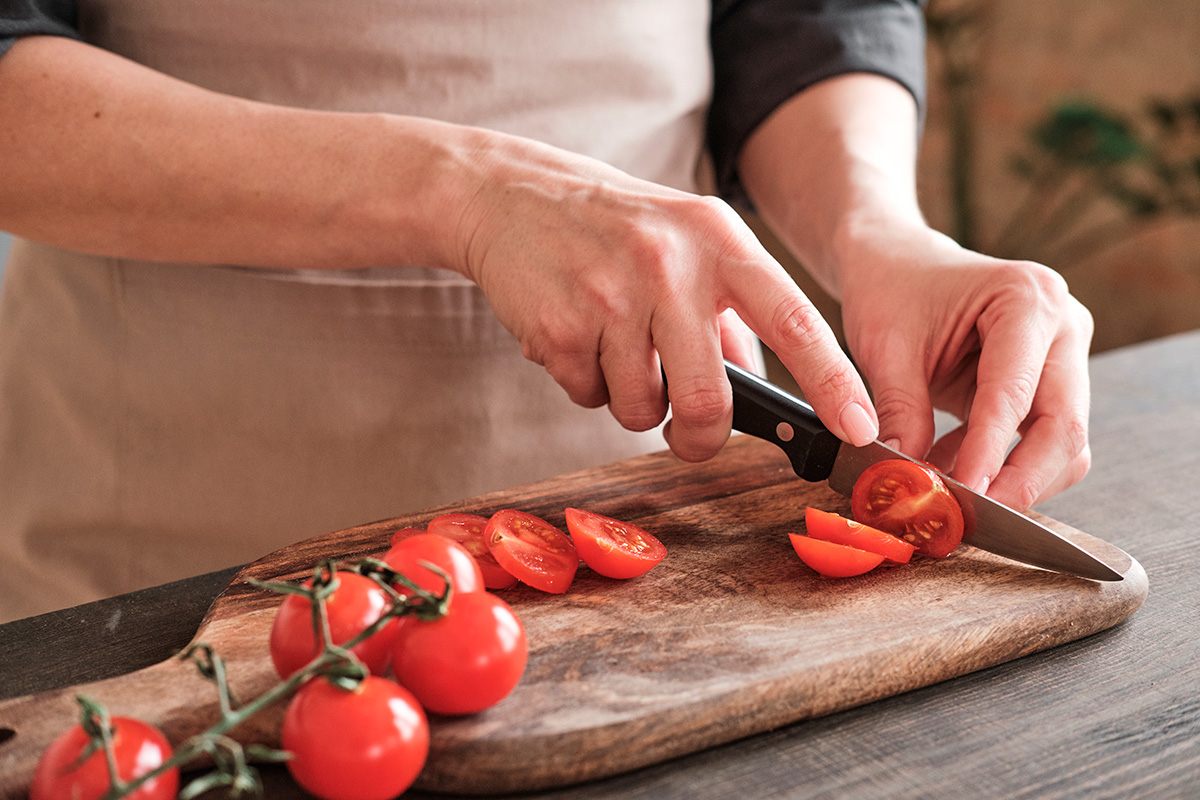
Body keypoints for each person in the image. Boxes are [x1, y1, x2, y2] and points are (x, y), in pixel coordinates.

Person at [0, 0, 1093, 621]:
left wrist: (879, 231)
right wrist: (462, 188)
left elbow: (803, 18)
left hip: (647, 529)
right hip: (167, 526)